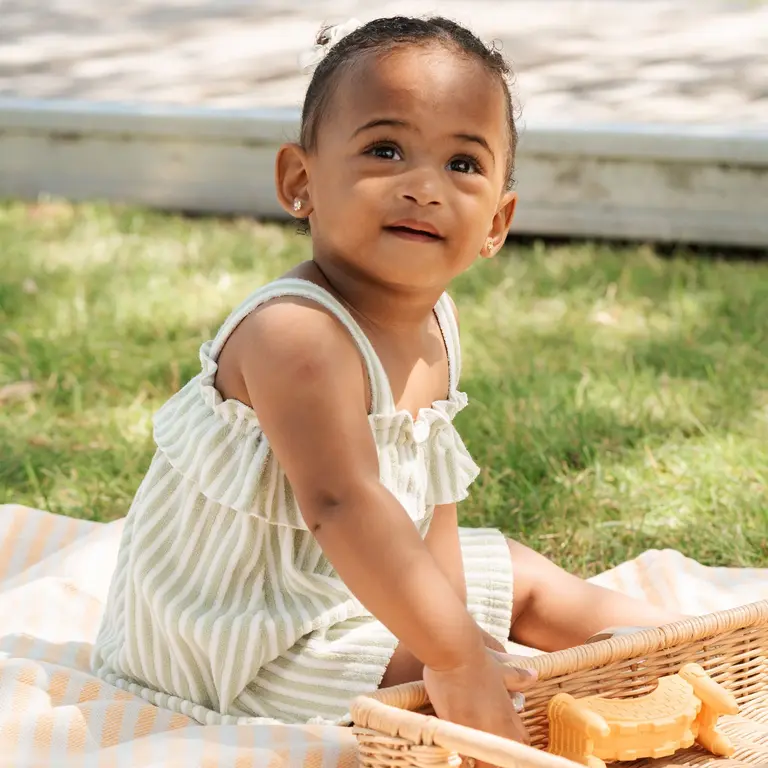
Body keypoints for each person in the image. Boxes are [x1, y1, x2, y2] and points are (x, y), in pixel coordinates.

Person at [92, 15, 683, 746]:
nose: (424, 187)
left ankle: (682, 649)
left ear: (496, 223)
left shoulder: (436, 324)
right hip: (242, 631)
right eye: (385, 149)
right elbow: (341, 504)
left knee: (517, 579)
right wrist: (453, 651)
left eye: (462, 164)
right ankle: (553, 716)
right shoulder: (296, 336)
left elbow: (432, 495)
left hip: (347, 581)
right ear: (300, 181)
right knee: (435, 677)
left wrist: (459, 626)